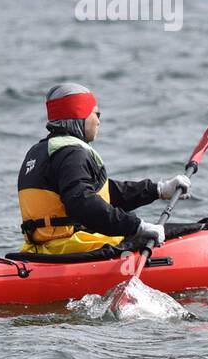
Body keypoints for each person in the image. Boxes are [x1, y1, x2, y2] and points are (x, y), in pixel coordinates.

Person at [17, 83, 192, 255]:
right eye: (96, 114)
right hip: (73, 247)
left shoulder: (41, 151)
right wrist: (136, 226)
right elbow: (82, 203)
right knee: (190, 232)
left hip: (41, 249)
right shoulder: (72, 153)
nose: (99, 121)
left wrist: (158, 190)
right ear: (80, 116)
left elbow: (105, 193)